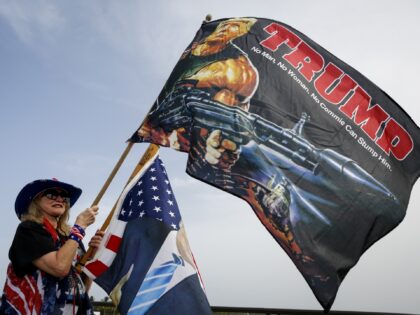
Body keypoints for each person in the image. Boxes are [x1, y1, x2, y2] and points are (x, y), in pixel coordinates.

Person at [0, 178, 104, 314]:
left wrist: (91, 255)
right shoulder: (28, 230)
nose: (60, 199)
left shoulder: (70, 238)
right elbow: (59, 268)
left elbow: (81, 286)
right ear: (35, 201)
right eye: (51, 194)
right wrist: (79, 227)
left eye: (64, 196)